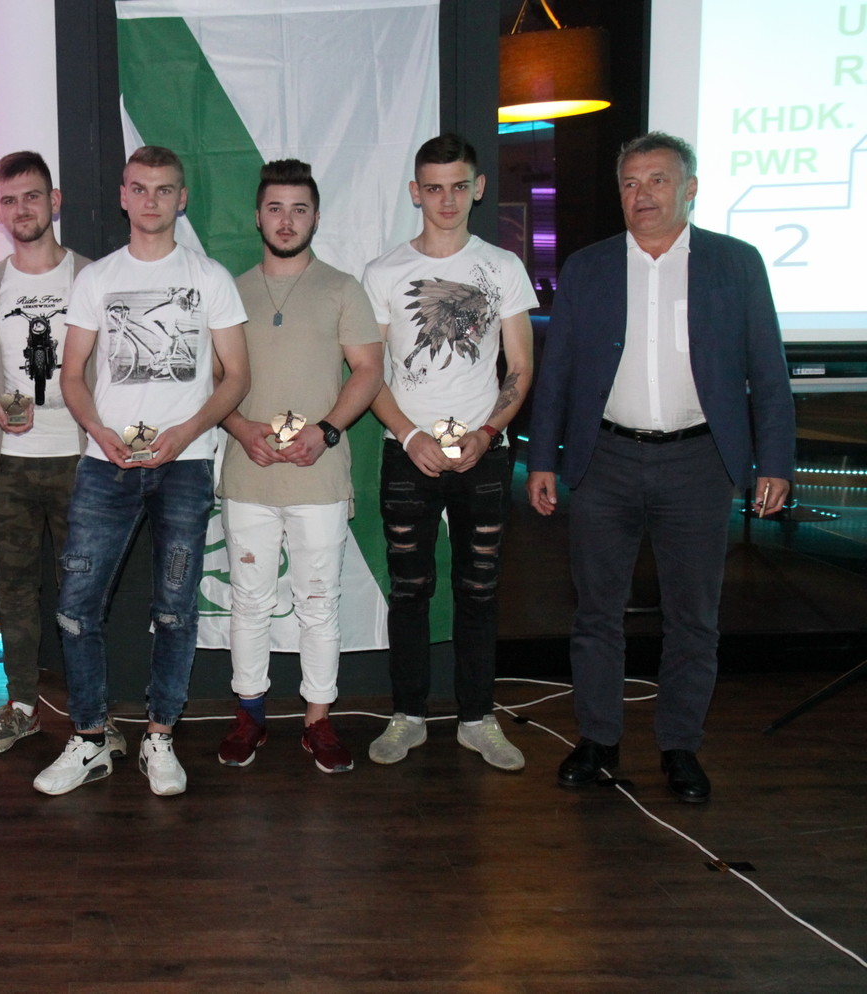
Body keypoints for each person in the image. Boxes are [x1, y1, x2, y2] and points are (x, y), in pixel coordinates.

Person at [527, 132, 794, 803]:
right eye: (629, 182)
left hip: (699, 463)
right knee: (596, 613)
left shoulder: (735, 263)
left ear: (690, 189)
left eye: (657, 180)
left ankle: (680, 747)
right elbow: (557, 373)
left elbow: (769, 370)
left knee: (693, 618)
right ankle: (599, 740)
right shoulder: (588, 267)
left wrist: (775, 461)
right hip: (604, 461)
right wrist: (542, 459)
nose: (641, 194)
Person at [32, 145, 249, 797]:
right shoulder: (96, 279)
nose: (151, 200)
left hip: (186, 466)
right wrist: (97, 431)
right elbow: (71, 375)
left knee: (176, 609)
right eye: (140, 188)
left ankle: (160, 736)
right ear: (123, 195)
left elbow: (237, 377)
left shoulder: (210, 277)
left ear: (182, 198)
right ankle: (90, 737)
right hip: (108, 466)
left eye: (164, 189)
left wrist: (188, 432)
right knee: (75, 608)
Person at [361, 133, 535, 773]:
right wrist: (412, 437)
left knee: (479, 590)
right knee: (409, 590)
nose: (447, 200)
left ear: (478, 188)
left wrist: (486, 434)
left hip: (485, 454)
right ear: (416, 192)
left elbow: (520, 366)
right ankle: (408, 715)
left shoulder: (503, 267)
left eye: (459, 186)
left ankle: (477, 719)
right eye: (434, 188)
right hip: (407, 453)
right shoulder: (382, 272)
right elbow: (369, 373)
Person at [0, 151, 128, 758]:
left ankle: (93, 714)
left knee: (85, 597)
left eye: (31, 196)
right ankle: (22, 706)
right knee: (16, 593)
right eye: (9, 200)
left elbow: (119, 367)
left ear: (54, 202)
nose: (20, 209)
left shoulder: (95, 277)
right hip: (10, 468)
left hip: (83, 462)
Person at [216, 159, 384, 773]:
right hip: (248, 474)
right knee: (249, 602)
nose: (286, 221)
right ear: (258, 217)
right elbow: (214, 378)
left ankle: (318, 721)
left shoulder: (342, 288)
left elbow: (368, 370)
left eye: (299, 209)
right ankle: (250, 717)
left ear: (315, 217)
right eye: (275, 208)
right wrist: (240, 429)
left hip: (319, 477)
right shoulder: (229, 291)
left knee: (318, 602)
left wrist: (327, 430)